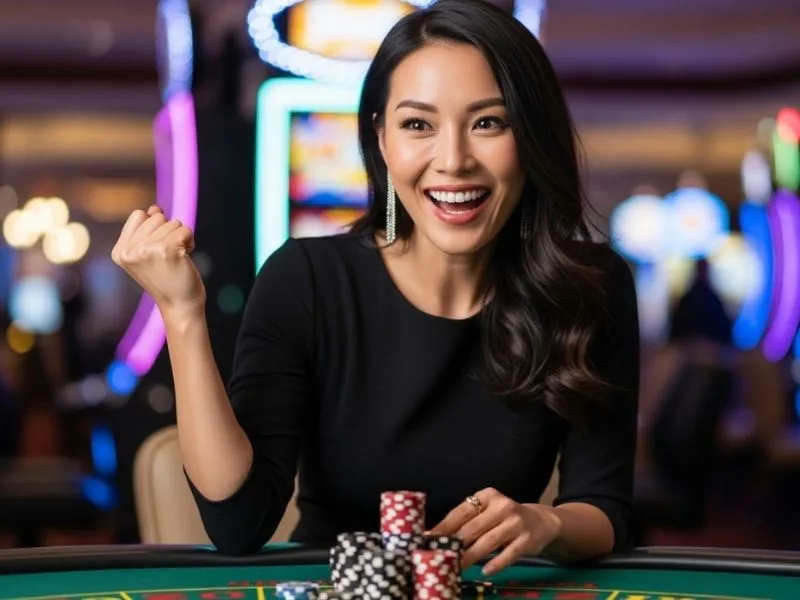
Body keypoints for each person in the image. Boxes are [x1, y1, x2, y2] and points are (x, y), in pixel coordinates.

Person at [111, 0, 639, 575]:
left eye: (489, 122)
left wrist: (548, 523)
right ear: (381, 141)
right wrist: (182, 313)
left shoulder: (591, 286)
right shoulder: (307, 279)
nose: (454, 160)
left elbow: (603, 507)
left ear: (532, 135)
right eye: (418, 125)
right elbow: (239, 523)